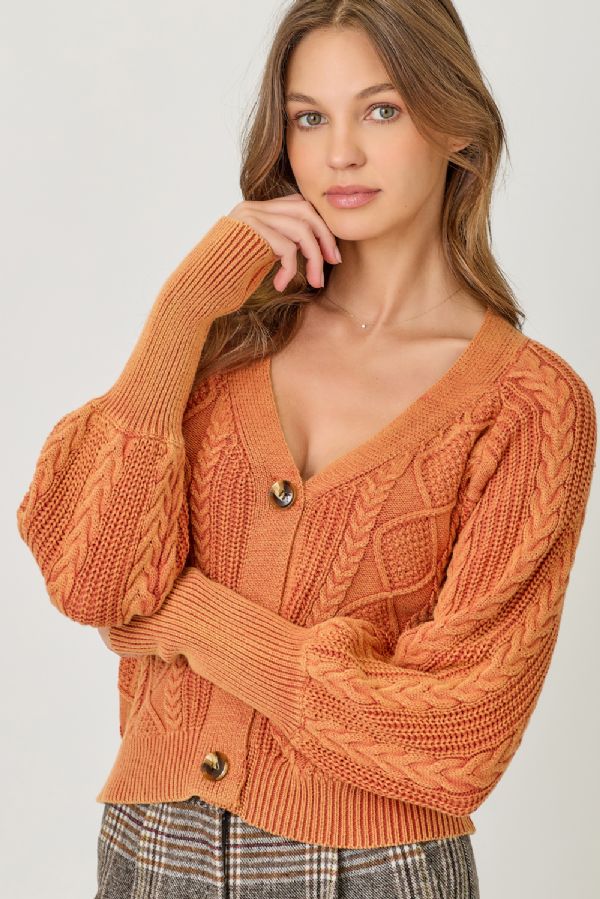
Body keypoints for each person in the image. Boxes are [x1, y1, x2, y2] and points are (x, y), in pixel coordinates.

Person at [17, 2, 596, 898]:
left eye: (382, 109)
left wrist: (187, 618)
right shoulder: (219, 345)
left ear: (458, 127)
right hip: (150, 850)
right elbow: (92, 580)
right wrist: (180, 312)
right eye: (309, 117)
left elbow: (456, 739)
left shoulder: (529, 406)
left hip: (376, 869)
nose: (341, 154)